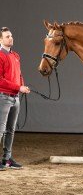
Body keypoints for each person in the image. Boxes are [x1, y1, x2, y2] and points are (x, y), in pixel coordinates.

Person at [0, 27, 30, 170]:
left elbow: (19, 75)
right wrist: (18, 87)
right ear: (1, 40)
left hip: (15, 97)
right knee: (0, 130)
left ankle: (7, 159)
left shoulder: (16, 55)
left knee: (10, 130)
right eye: (7, 36)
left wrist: (22, 86)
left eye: (11, 36)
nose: (10, 38)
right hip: (3, 97)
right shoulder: (0, 56)